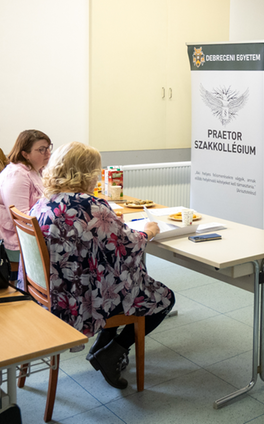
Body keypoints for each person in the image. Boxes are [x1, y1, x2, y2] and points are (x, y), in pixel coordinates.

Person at [31, 141, 175, 389]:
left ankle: (102, 344)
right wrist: (149, 231)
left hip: (52, 292)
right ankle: (112, 351)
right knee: (163, 297)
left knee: (115, 282)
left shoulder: (43, 202)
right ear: (87, 173)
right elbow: (129, 244)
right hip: (80, 300)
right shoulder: (91, 206)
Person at [0, 130, 53, 273]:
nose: (48, 153)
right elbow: (21, 219)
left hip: (33, 231)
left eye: (48, 147)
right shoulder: (17, 175)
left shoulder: (36, 169)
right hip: (17, 239)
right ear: (25, 154)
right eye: (41, 149)